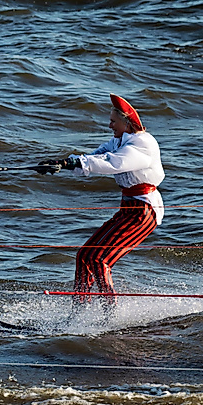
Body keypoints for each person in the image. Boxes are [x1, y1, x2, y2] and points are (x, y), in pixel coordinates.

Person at [39, 94, 164, 309]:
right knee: (84, 256)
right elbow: (97, 155)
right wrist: (62, 163)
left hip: (144, 211)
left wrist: (74, 163)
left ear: (126, 122)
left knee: (99, 259)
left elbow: (112, 162)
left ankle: (109, 312)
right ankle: (79, 311)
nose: (109, 126)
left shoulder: (142, 143)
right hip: (129, 208)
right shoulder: (119, 140)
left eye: (113, 122)